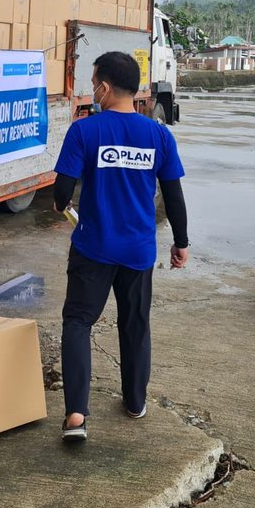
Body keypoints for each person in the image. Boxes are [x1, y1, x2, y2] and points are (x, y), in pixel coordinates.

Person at [52, 51, 190, 441]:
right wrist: (180, 243)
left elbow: (63, 191)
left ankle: (76, 415)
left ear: (106, 87)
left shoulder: (85, 131)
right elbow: (174, 196)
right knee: (135, 324)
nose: (92, 90)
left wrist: (62, 205)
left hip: (93, 247)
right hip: (138, 251)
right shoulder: (159, 135)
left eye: (94, 82)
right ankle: (135, 402)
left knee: (78, 322)